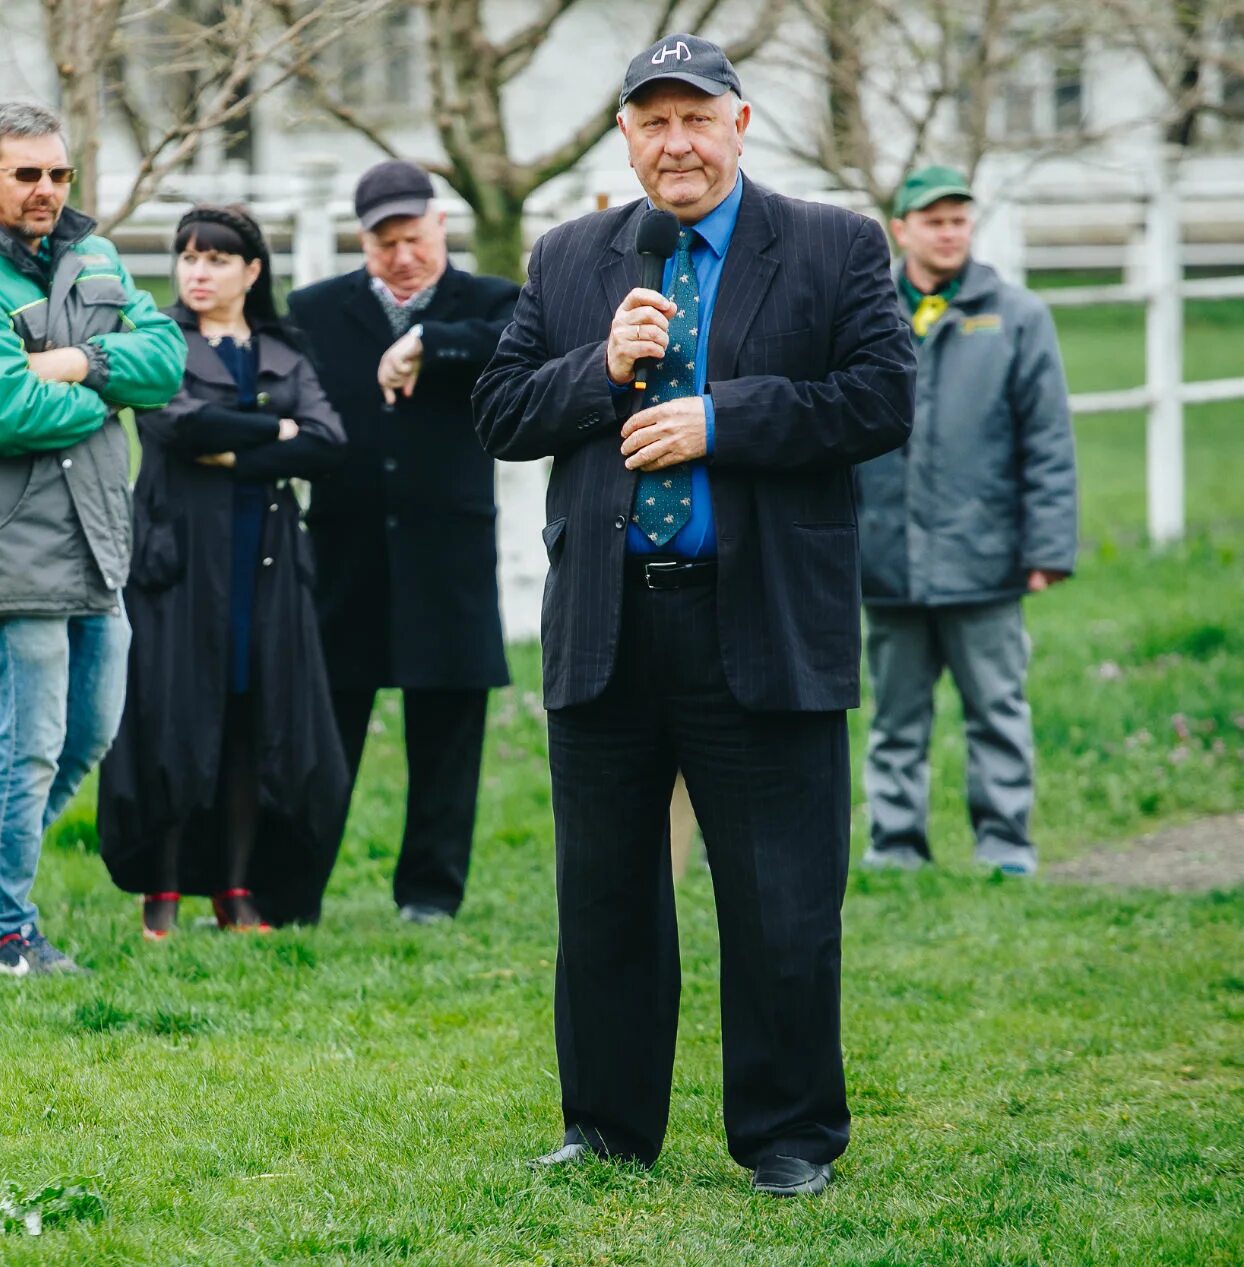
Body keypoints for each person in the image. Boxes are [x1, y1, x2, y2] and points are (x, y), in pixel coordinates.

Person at [473, 35, 915, 1196]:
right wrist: (598, 369)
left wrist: (722, 419)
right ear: (625, 134)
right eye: (652, 121)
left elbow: (880, 397)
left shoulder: (829, 246)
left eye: (696, 118)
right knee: (607, 893)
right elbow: (501, 412)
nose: (676, 143)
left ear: (740, 121)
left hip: (761, 615)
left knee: (779, 898)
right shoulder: (572, 256)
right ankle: (606, 1126)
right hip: (609, 625)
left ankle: (787, 1138)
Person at [0, 102, 187, 976]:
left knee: (88, 732)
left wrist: (81, 364)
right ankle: (5, 935)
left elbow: (166, 357)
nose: (46, 190)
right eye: (27, 174)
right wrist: (108, 395)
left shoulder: (91, 255)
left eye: (58, 173)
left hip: (99, 534)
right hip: (14, 542)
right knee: (30, 743)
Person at [97, 205, 350, 937]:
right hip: (178, 564)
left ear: (251, 272)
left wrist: (240, 450)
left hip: (266, 566)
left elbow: (331, 442)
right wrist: (278, 428)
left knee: (251, 720)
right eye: (187, 258)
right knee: (176, 720)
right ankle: (163, 892)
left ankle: (237, 889)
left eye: (213, 259)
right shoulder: (157, 343)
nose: (196, 272)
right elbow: (176, 425)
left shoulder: (281, 347)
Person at [286, 160, 520, 925]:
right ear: (363, 242)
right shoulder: (316, 311)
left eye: (414, 238)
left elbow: (528, 343)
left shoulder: (491, 304)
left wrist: (431, 342)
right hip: (346, 557)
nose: (403, 256)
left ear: (440, 227)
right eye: (385, 243)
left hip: (446, 554)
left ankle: (430, 893)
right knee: (324, 734)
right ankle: (294, 893)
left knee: (448, 733)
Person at [857, 167, 1077, 878]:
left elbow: (1047, 441)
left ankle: (1005, 844)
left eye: (959, 219)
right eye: (933, 220)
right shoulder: (865, 314)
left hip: (986, 561)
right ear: (902, 229)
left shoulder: (1016, 316)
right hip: (886, 562)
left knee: (998, 712)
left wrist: (1046, 547)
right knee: (894, 721)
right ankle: (895, 846)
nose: (948, 232)